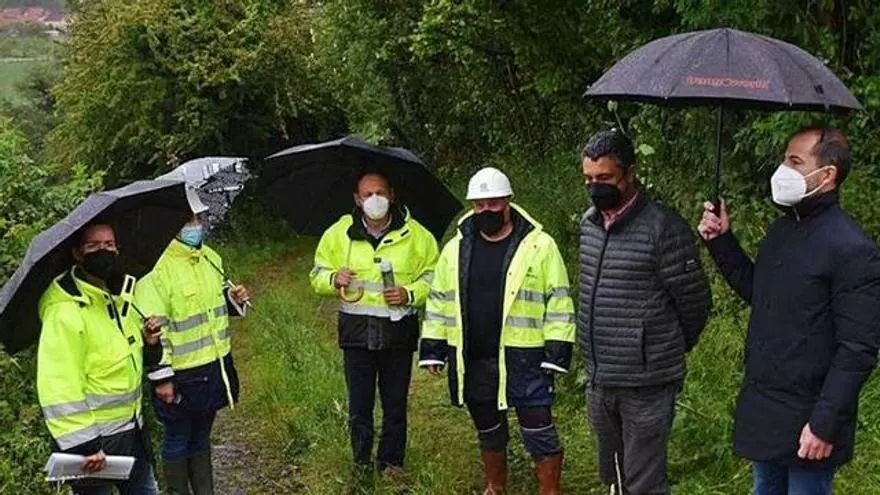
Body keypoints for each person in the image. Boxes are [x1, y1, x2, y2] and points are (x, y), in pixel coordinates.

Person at [698, 127, 880, 495]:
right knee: (764, 488)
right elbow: (762, 293)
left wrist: (824, 423)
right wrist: (721, 242)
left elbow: (858, 348)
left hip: (810, 415)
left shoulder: (852, 249)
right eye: (784, 159)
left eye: (795, 161)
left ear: (827, 174)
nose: (783, 169)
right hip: (767, 406)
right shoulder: (782, 230)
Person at [420, 167, 575, 495]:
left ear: (508, 201)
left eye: (493, 203)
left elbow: (559, 300)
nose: (486, 210)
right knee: (487, 425)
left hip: (526, 356)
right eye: (479, 205)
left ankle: (550, 490)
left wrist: (557, 352)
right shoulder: (455, 249)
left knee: (538, 426)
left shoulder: (540, 246)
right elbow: (439, 300)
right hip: (474, 356)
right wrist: (433, 348)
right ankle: (495, 485)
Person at [578, 130, 711, 495]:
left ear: (630, 172)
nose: (595, 186)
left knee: (644, 482)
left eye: (605, 178)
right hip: (600, 376)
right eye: (588, 179)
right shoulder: (589, 225)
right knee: (614, 473)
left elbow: (694, 303)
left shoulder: (663, 228)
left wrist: (658, 348)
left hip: (647, 382)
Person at [309, 170, 439, 479]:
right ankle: (361, 464)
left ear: (392, 195)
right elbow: (316, 275)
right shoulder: (338, 234)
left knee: (395, 404)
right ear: (357, 199)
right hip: (356, 334)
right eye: (367, 194)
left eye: (380, 192)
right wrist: (333, 279)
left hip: (398, 333)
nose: (374, 199)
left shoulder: (417, 236)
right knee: (360, 405)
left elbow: (435, 278)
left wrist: (410, 293)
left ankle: (392, 463)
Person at [134, 190, 250, 495]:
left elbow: (210, 310)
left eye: (199, 218)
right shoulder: (155, 269)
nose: (195, 225)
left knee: (201, 437)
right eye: (188, 220)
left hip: (213, 366)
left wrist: (233, 299)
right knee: (178, 438)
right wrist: (161, 377)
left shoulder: (211, 258)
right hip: (180, 374)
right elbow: (153, 329)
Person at [37, 222, 162, 495]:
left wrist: (150, 343)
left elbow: (126, 358)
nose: (103, 251)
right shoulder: (64, 310)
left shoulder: (118, 296)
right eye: (93, 246)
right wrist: (84, 445)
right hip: (93, 448)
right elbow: (59, 384)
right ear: (78, 253)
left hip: (132, 434)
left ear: (118, 249)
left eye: (109, 244)